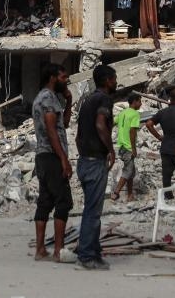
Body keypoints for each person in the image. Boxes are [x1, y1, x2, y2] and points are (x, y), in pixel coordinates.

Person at [74, 64, 118, 271]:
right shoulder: (103, 100)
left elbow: (77, 136)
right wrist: (110, 150)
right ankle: (86, 255)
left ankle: (94, 251)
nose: (116, 82)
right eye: (114, 79)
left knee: (93, 209)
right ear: (108, 80)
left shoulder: (87, 101)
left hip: (84, 161)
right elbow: (101, 125)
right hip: (94, 162)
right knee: (93, 211)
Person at [31, 62, 74, 263]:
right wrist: (63, 159)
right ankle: (58, 250)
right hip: (51, 156)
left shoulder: (50, 98)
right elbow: (51, 130)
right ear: (53, 78)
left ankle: (40, 249)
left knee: (45, 201)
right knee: (63, 201)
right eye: (63, 78)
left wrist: (69, 101)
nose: (66, 81)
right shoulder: (47, 98)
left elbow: (63, 124)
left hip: (43, 156)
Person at [145, 87, 175, 197]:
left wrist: (159, 137)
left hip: (166, 148)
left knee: (166, 176)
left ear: (170, 99)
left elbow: (148, 124)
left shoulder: (162, 113)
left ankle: (168, 196)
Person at [111, 93, 142, 202]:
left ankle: (130, 195)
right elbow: (132, 131)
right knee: (128, 171)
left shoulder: (122, 113)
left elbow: (112, 123)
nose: (141, 103)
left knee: (131, 171)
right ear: (134, 102)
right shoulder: (135, 114)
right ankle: (116, 193)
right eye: (139, 101)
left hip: (121, 146)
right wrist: (134, 149)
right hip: (128, 147)